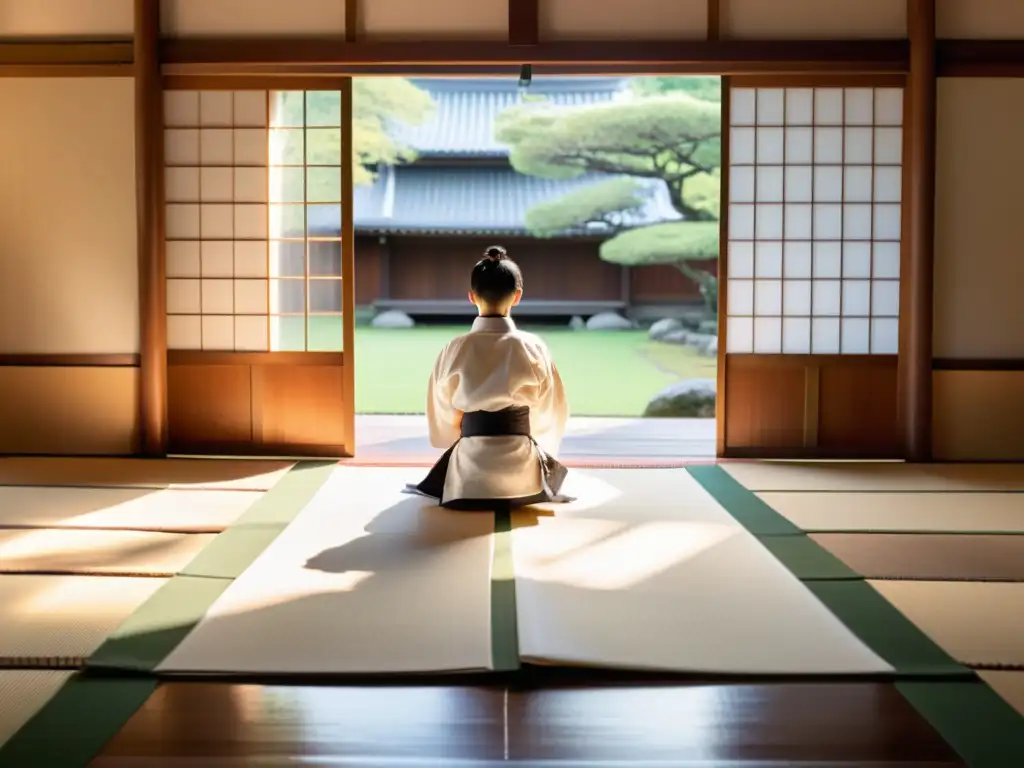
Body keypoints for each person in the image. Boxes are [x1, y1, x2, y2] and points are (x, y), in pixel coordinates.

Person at [405, 245, 573, 510]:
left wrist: (456, 436)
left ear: (471, 297)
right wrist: (538, 440)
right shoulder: (533, 347)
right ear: (517, 297)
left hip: (467, 477)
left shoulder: (455, 348)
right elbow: (553, 411)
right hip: (523, 474)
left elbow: (442, 408)